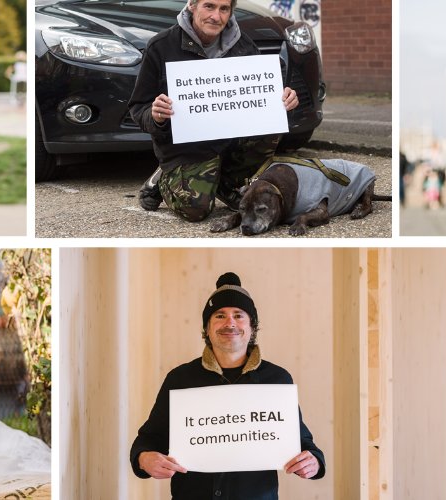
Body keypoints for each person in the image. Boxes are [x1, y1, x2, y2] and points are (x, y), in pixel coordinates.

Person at [129, 272, 325, 498]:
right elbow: (148, 439)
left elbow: (303, 443)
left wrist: (314, 462)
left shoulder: (277, 379)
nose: (229, 322)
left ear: (252, 327)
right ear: (207, 328)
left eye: (239, 315)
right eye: (219, 315)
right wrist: (144, 459)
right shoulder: (180, 379)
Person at [131, 0, 302, 222]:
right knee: (195, 211)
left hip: (230, 141)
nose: (216, 16)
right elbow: (138, 106)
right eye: (209, 6)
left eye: (224, 9)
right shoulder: (161, 46)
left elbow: (262, 101)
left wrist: (283, 103)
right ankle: (162, 179)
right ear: (192, 5)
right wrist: (156, 116)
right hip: (185, 148)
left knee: (269, 131)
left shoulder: (244, 46)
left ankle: (227, 182)